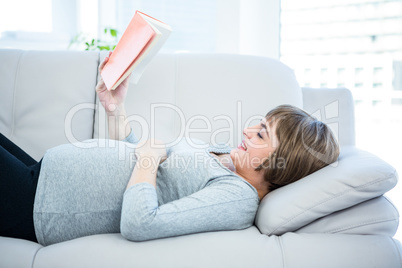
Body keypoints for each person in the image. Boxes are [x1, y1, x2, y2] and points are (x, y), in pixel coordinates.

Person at [0, 54, 340, 246]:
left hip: (39, 205)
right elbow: (140, 162)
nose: (248, 130)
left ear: (282, 165)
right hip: (41, 175)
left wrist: (147, 161)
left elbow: (140, 222)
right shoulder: (227, 159)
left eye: (261, 135)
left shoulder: (236, 198)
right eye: (258, 124)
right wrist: (115, 110)